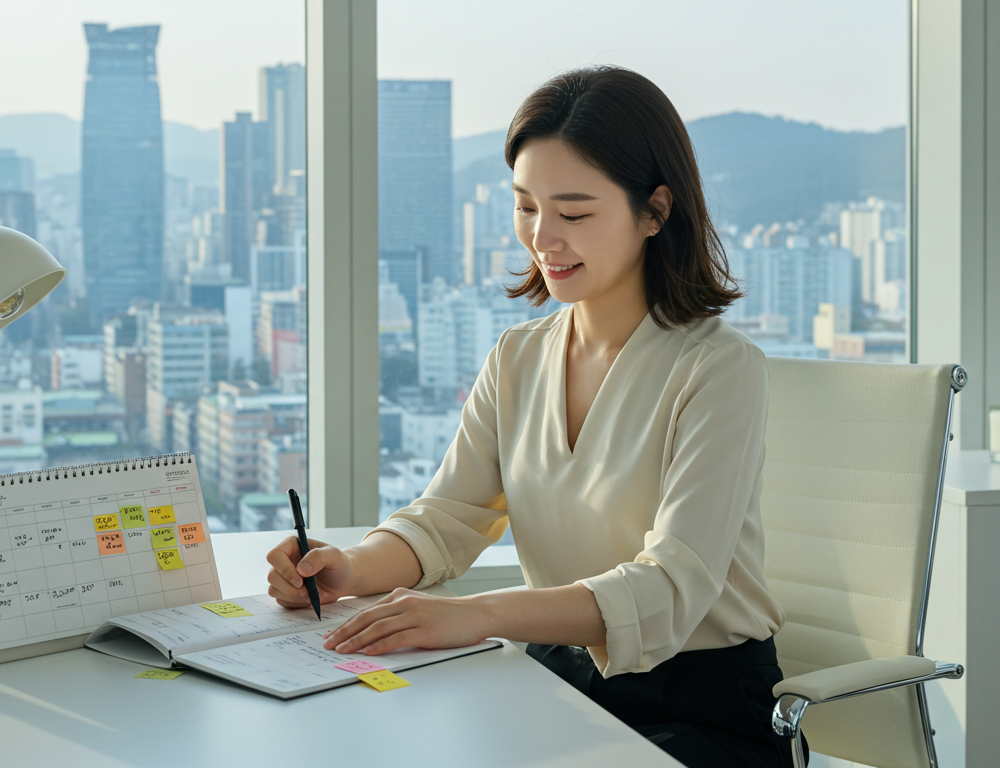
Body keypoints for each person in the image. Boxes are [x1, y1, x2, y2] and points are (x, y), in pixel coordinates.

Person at [266, 65, 796, 768]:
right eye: (525, 207)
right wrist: (351, 567)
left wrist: (477, 615)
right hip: (553, 681)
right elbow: (448, 519)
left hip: (700, 709)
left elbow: (671, 588)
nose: (542, 238)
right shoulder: (518, 357)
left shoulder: (719, 369)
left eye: (573, 213)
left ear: (654, 211)